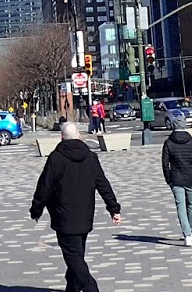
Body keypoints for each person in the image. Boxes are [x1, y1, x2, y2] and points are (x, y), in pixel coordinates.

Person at [30, 121, 122, 292]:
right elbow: (103, 184)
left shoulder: (56, 158)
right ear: (79, 136)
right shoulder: (90, 157)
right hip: (85, 216)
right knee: (76, 256)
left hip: (63, 217)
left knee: (74, 259)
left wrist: (36, 209)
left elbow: (44, 187)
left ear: (61, 137)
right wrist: (113, 208)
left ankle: (91, 288)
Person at [161, 120, 192, 245]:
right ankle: (190, 230)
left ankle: (187, 234)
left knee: (180, 206)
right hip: (191, 178)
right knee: (190, 205)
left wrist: (168, 179)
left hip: (176, 178)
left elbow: (165, 164)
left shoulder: (168, 143)